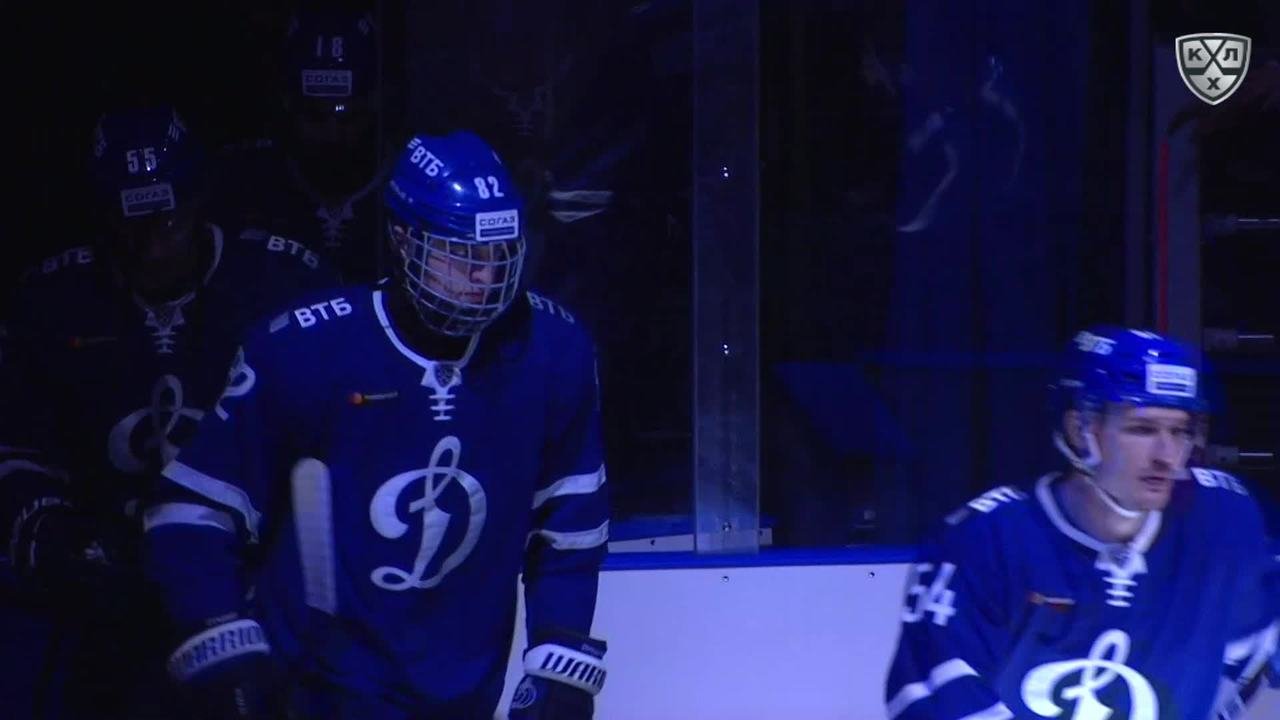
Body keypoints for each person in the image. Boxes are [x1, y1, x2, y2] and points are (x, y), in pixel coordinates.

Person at [144, 130, 610, 719]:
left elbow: (571, 519)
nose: (483, 280)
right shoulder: (305, 350)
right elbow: (192, 509)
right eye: (460, 256)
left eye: (497, 256)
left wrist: (560, 658)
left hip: (464, 687)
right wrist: (221, 639)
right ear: (402, 239)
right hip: (314, 688)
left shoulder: (553, 350)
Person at [0, 104, 334, 718]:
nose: (152, 245)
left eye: (168, 219)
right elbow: (17, 439)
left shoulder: (281, 284)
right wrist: (49, 528)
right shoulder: (51, 301)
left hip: (252, 582)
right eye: (132, 224)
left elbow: (336, 434)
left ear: (200, 199)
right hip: (106, 586)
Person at [884, 326, 1278, 720]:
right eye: (1142, 429)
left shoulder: (1221, 519)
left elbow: (1257, 641)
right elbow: (930, 692)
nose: (1167, 456)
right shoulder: (986, 539)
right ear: (1080, 430)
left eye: (1180, 432)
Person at [212, 4, 393, 284]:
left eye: (347, 116)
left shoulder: (407, 188)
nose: (333, 135)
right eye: (315, 115)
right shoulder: (243, 182)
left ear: (375, 104)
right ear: (288, 103)